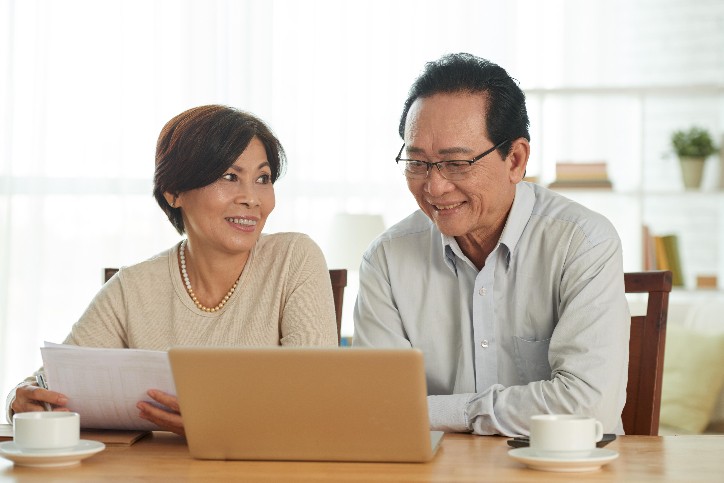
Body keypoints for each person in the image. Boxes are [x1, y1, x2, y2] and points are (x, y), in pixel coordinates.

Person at [7, 105, 338, 435]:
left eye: (262, 178)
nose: (252, 199)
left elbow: (319, 398)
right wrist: (17, 400)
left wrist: (217, 421)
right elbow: (48, 384)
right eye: (229, 176)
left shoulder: (295, 258)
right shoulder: (132, 288)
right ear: (174, 192)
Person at [353, 53, 630, 436]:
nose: (434, 187)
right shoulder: (386, 259)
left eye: (456, 163)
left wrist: (451, 412)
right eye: (417, 162)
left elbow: (588, 408)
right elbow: (377, 407)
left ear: (515, 160)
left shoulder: (582, 242)